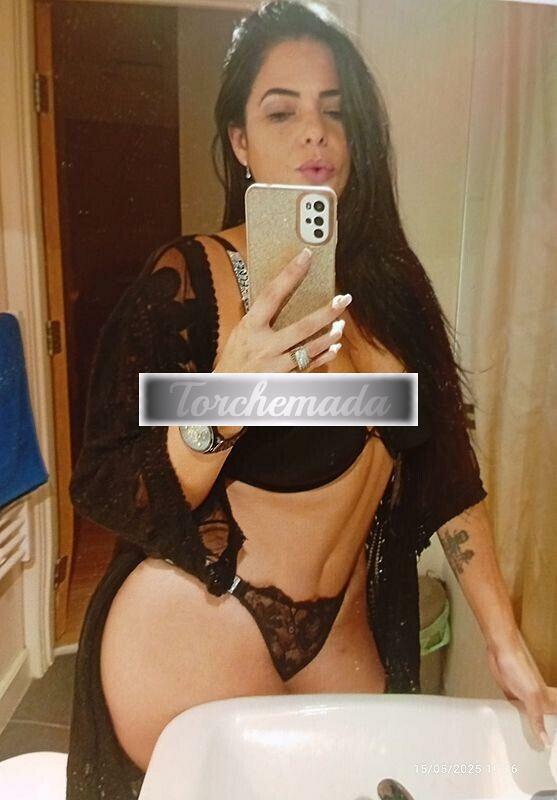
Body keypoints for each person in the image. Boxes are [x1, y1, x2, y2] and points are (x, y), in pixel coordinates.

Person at [66, 2, 556, 798]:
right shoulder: (191, 282)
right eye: (281, 111)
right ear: (240, 142)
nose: (314, 134)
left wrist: (504, 640)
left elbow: (445, 468)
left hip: (342, 631)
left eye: (334, 111)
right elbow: (108, 486)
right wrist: (223, 402)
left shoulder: (391, 287)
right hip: (201, 623)